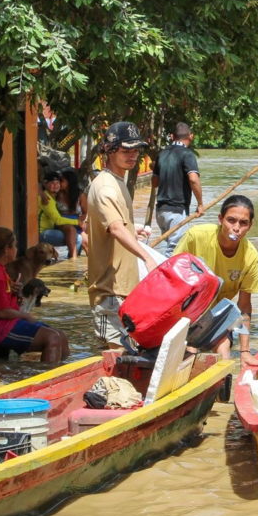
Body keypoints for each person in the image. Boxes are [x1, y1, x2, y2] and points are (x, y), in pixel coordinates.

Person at [86, 121, 158, 349]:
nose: (133, 155)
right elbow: (115, 229)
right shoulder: (106, 187)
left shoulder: (118, 182)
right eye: (126, 150)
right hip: (110, 293)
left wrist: (131, 229)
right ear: (108, 150)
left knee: (128, 358)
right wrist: (148, 258)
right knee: (117, 358)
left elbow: (108, 227)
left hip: (124, 292)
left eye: (136, 150)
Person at [174, 195, 258, 368]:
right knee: (189, 353)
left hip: (216, 315)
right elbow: (172, 278)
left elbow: (244, 306)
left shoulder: (250, 257)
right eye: (231, 220)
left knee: (224, 352)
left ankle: (222, 386)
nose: (236, 228)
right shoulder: (196, 236)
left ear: (250, 226)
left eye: (243, 223)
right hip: (185, 310)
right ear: (220, 219)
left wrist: (245, 351)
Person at [0, 227, 70, 363]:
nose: (16, 250)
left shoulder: (1, 270)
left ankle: (66, 375)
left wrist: (16, 292)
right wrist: (26, 316)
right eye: (14, 246)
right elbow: (1, 312)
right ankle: (47, 380)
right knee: (52, 338)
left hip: (7, 322)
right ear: (6, 249)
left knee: (61, 336)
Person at [151, 122, 204, 255]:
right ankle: (165, 275)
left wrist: (159, 169)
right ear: (191, 136)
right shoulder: (187, 154)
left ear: (172, 136)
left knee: (172, 246)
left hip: (160, 212)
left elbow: (154, 183)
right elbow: (193, 179)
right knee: (175, 250)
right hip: (177, 211)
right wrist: (200, 204)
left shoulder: (161, 154)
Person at [39, 171, 82, 258]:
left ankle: (72, 259)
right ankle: (73, 261)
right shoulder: (46, 199)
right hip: (43, 233)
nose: (55, 185)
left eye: (57, 182)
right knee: (77, 239)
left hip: (50, 230)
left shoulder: (53, 196)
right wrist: (78, 222)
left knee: (78, 237)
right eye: (52, 183)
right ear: (45, 184)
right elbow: (58, 220)